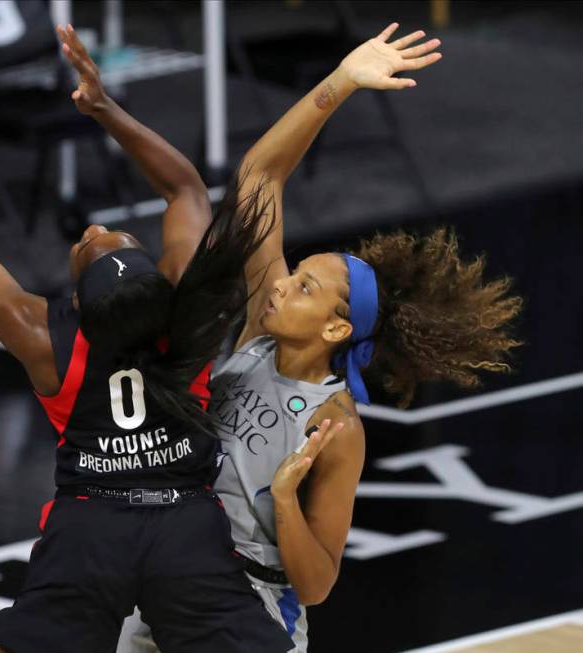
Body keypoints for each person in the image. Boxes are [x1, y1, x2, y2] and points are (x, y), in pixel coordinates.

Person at [0, 22, 293, 653]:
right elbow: (182, 186)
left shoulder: (47, 340)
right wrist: (105, 108)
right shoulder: (187, 322)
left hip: (90, 523)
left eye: (88, 243)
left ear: (73, 305)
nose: (96, 228)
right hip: (183, 522)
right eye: (104, 238)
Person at [120, 22, 521, 653]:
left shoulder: (336, 426)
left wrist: (284, 501)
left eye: (304, 287)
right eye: (293, 275)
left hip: (248, 611)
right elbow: (258, 179)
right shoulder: (258, 331)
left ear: (336, 328)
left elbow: (316, 584)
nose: (281, 286)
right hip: (167, 580)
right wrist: (339, 82)